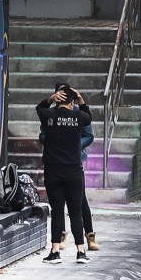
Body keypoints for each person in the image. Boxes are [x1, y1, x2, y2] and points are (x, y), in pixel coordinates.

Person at [35, 81, 92, 264]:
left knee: (57, 212)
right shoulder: (78, 117)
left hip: (53, 171)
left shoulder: (49, 116)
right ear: (72, 102)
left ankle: (55, 252)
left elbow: (39, 108)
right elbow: (88, 116)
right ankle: (81, 252)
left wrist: (50, 99)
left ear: (58, 100)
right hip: (74, 171)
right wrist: (81, 100)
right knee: (76, 212)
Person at [43, 117, 100, 252]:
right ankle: (61, 235)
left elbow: (89, 135)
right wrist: (55, 144)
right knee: (58, 204)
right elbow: (42, 135)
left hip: (74, 161)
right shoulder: (50, 114)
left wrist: (73, 145)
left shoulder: (77, 114)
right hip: (55, 161)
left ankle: (89, 235)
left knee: (81, 200)